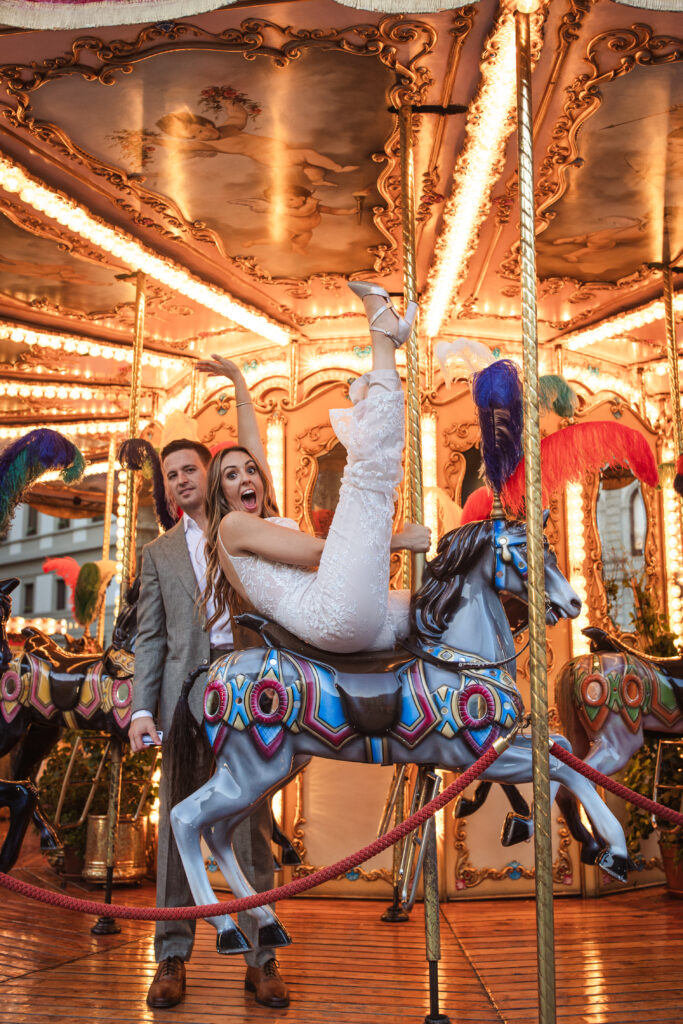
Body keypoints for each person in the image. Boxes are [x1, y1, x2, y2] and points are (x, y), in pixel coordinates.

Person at [129, 362, 289, 1011]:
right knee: (176, 827)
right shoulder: (159, 553)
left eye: (189, 469)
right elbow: (149, 638)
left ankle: (261, 956)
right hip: (184, 692)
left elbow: (257, 458)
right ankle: (171, 957)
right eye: (171, 476)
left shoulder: (243, 527)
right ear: (166, 491)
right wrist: (142, 707)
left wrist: (241, 387)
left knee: (251, 822)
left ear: (208, 473)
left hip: (246, 686)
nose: (181, 480)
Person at [202, 282, 430, 655]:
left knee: (440, 606)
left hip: (353, 616)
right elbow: (319, 554)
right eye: (231, 476)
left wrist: (240, 384)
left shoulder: (259, 520)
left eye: (250, 471)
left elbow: (252, 449)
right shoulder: (232, 526)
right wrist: (400, 540)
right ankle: (383, 338)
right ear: (221, 495)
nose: (246, 477)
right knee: (366, 481)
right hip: (331, 614)